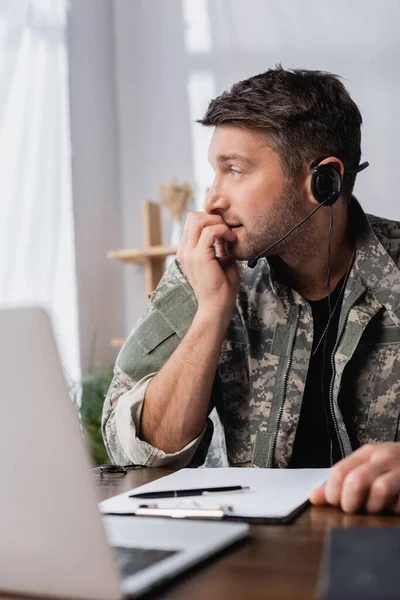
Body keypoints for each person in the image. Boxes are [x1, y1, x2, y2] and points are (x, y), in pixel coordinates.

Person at [102, 66, 400, 514]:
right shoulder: (203, 270)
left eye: (235, 171)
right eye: (214, 173)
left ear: (324, 181)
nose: (212, 200)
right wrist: (212, 311)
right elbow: (134, 452)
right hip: (243, 559)